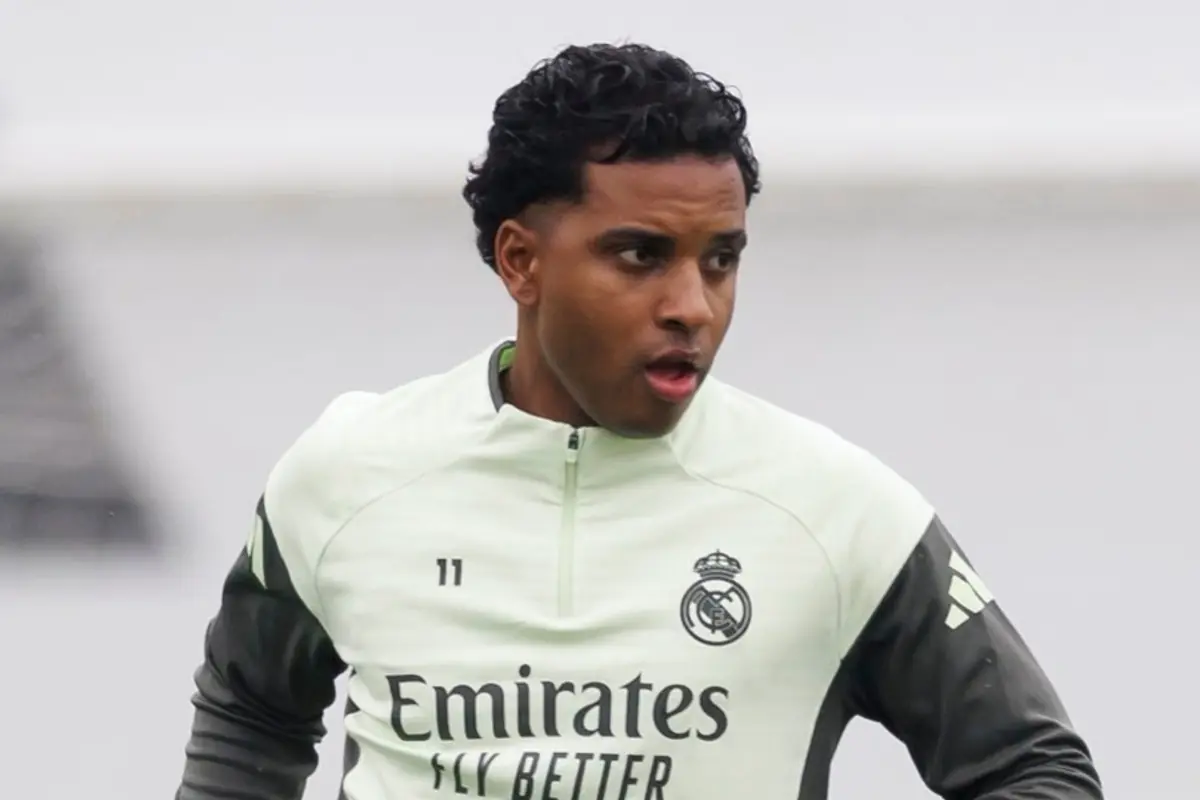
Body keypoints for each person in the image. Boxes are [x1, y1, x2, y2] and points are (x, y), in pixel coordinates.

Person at [176, 42, 1103, 800]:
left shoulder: (839, 509)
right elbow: (251, 712)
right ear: (520, 261)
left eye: (721, 259)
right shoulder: (348, 471)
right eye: (640, 255)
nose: (692, 305)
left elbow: (1034, 772)